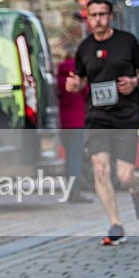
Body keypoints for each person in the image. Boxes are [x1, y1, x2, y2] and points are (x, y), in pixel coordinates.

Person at [65, 0, 139, 245]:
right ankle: (115, 223)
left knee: (125, 176)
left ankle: (136, 189)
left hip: (125, 116)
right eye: (93, 16)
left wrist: (135, 81)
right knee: (101, 170)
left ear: (111, 16)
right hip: (97, 117)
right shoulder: (84, 48)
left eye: (102, 14)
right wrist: (74, 85)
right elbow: (81, 80)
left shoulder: (127, 41)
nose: (98, 20)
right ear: (87, 19)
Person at [56, 51, 92, 203]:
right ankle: (75, 191)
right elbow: (86, 94)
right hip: (77, 122)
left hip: (62, 122)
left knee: (68, 157)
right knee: (75, 156)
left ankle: (69, 189)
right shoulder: (79, 77)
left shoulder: (57, 77)